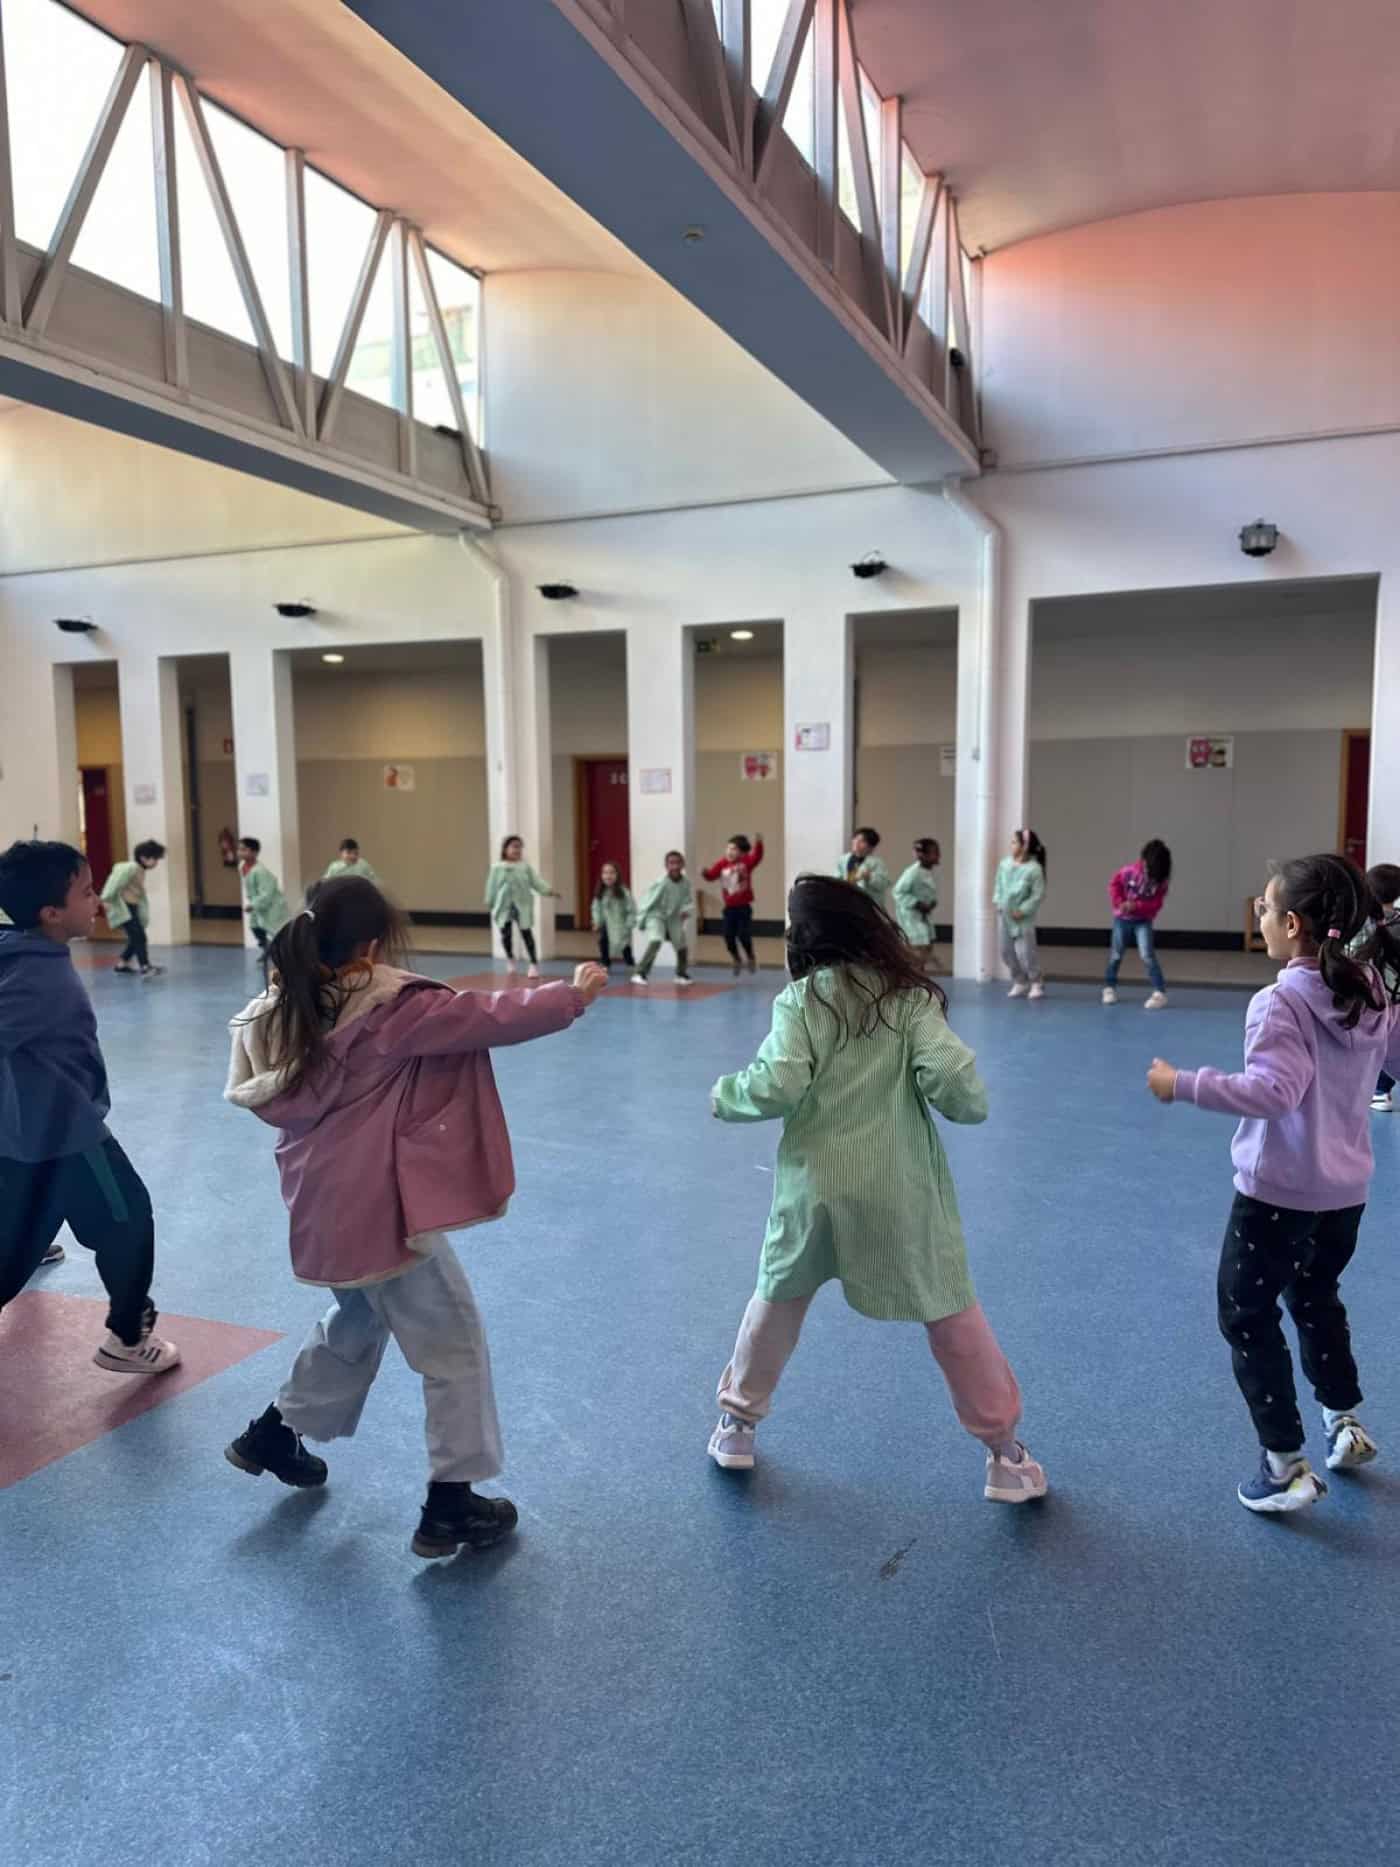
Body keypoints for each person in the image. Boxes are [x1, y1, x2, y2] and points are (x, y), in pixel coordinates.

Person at [223, 875, 608, 1557]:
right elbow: (490, 1016)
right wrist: (571, 995)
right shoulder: (388, 1013)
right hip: (383, 1213)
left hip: (321, 1209)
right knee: (453, 1340)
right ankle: (452, 1502)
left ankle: (274, 1433)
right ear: (370, 947)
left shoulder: (281, 1009)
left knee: (358, 1316)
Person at [706, 875, 1047, 1504]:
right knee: (949, 1309)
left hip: (813, 1193)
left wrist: (725, 1095)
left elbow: (777, 1083)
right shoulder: (907, 1000)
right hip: (901, 1193)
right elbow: (961, 1092)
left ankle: (738, 1426)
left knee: (778, 1297)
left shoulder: (802, 1001)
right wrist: (962, 1093)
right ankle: (1006, 1456)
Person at [1146, 854, 1400, 1515]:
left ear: (1291, 923)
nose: (1257, 918)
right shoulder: (1372, 990)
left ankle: (1285, 1463)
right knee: (1318, 1299)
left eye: (1262, 908)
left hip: (1278, 1198)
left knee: (1246, 1314)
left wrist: (1182, 1084)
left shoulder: (1280, 1000)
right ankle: (1344, 1420)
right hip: (1344, 1197)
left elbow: (1273, 1092)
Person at [0, 841, 180, 1372]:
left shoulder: (17, 951)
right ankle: (127, 1337)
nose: (96, 899)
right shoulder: (41, 979)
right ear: (51, 914)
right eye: (85, 892)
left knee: (13, 1249)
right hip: (67, 1134)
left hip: (22, 1133)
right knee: (128, 1220)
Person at [1103, 839, 1172, 1010]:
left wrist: (1137, 906)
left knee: (1147, 954)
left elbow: (1156, 904)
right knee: (1116, 954)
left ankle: (1159, 992)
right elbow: (1114, 886)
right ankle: (1109, 987)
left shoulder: (1161, 882)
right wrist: (1119, 902)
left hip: (1143, 921)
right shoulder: (1129, 872)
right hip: (1122, 919)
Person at [484, 835, 556, 978]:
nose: (517, 850)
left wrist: (547, 890)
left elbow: (536, 881)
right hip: (504, 907)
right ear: (505, 849)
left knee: (527, 934)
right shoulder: (497, 868)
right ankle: (510, 958)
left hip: (522, 906)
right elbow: (491, 887)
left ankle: (533, 964)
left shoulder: (525, 867)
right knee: (506, 935)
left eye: (519, 847)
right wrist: (490, 901)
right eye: (514, 846)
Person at [1362, 862, 1400, 1111]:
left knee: (1376, 1045)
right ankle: (1380, 1089)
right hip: (1396, 997)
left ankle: (1378, 1090)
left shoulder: (1362, 924)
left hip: (1372, 999)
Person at [994, 829, 1048, 1000]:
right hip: (1005, 914)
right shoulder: (1005, 864)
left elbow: (1037, 894)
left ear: (1024, 846)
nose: (1011, 845)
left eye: (1014, 842)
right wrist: (998, 902)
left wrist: (1023, 910)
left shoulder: (1034, 869)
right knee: (1005, 951)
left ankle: (1036, 981)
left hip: (1022, 918)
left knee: (1025, 953)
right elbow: (998, 885)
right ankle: (1019, 980)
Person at [101, 839, 167, 980]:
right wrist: (107, 900)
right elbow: (113, 885)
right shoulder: (131, 868)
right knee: (139, 936)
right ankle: (145, 966)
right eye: (154, 858)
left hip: (132, 907)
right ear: (144, 857)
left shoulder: (140, 870)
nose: (156, 862)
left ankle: (122, 964)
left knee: (135, 937)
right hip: (125, 907)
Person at [702, 833, 764, 976]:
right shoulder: (722, 864)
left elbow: (757, 857)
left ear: (742, 852)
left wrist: (759, 844)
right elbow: (711, 876)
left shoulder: (746, 862)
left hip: (744, 908)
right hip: (729, 908)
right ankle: (736, 958)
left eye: (734, 849)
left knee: (744, 935)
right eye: (728, 848)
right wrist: (705, 873)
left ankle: (750, 956)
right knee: (728, 936)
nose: (730, 851)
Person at [632, 852, 694, 986]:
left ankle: (681, 974)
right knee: (656, 940)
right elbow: (647, 901)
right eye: (671, 863)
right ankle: (640, 972)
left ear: (683, 864)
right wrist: (641, 919)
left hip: (674, 917)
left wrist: (685, 911)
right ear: (666, 866)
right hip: (656, 915)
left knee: (681, 944)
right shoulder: (661, 883)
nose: (675, 866)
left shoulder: (686, 883)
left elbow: (687, 901)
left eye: (678, 862)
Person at [238, 837, 291, 963]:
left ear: (254, 852)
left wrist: (253, 904)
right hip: (259, 905)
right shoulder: (242, 867)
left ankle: (285, 955)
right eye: (239, 849)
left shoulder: (260, 871)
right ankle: (267, 948)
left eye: (244, 849)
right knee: (255, 926)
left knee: (277, 931)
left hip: (272, 905)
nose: (240, 852)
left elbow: (267, 892)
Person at [893, 838, 942, 972]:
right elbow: (898, 892)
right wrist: (917, 903)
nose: (938, 856)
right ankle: (914, 986)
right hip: (911, 919)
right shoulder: (912, 872)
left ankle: (920, 984)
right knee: (916, 954)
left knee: (924, 951)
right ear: (922, 855)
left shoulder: (926, 871)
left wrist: (932, 902)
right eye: (934, 852)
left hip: (922, 918)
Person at [591, 861, 637, 972]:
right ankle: (605, 963)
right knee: (603, 941)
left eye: (611, 873)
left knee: (623, 944)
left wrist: (629, 923)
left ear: (617, 875)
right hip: (606, 923)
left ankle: (630, 963)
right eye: (605, 873)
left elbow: (631, 909)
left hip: (620, 923)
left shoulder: (623, 892)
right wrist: (597, 921)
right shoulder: (600, 892)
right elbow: (596, 908)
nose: (608, 876)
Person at [837, 827, 891, 906]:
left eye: (862, 841)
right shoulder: (843, 859)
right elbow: (837, 879)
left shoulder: (877, 863)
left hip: (868, 904)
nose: (856, 842)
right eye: (855, 839)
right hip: (846, 901)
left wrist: (869, 877)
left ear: (871, 847)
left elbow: (883, 885)